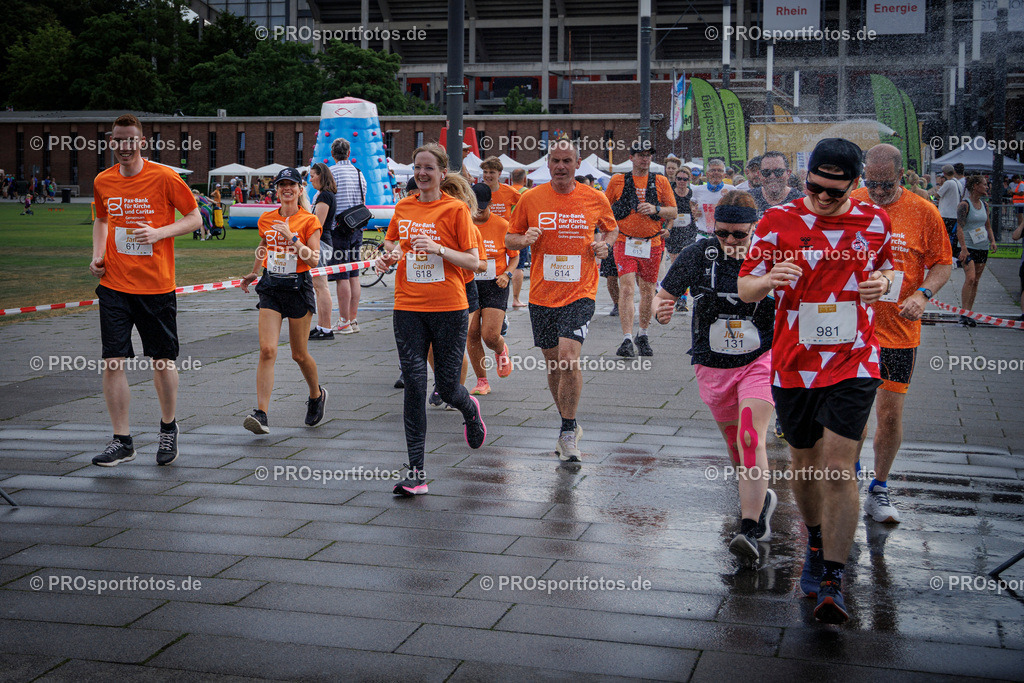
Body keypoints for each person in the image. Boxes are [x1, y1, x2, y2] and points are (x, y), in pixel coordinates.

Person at [738, 138, 894, 624]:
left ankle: (833, 576)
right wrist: (769, 281)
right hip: (794, 361)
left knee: (838, 465)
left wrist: (885, 284)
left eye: (835, 191)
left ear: (855, 184)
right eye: (816, 188)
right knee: (804, 463)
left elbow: (891, 267)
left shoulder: (875, 221)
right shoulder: (776, 221)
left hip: (856, 359)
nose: (823, 198)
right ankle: (817, 539)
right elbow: (745, 288)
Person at [654, 191, 778, 565]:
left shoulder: (770, 253)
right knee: (736, 446)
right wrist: (662, 308)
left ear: (753, 228)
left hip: (761, 358)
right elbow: (666, 293)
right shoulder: (699, 253)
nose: (729, 241)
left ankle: (750, 528)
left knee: (750, 435)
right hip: (712, 362)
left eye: (739, 234)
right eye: (722, 233)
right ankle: (760, 497)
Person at [89, 113, 202, 467]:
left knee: (162, 360)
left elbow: (195, 217)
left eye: (130, 140)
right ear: (111, 142)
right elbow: (102, 219)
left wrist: (159, 233)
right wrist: (97, 254)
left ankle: (168, 428)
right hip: (114, 286)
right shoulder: (103, 181)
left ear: (142, 142)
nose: (124, 147)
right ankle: (122, 440)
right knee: (112, 360)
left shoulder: (164, 176)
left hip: (155, 287)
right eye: (118, 140)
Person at [374, 143, 487, 496]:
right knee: (414, 384)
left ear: (441, 173)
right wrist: (386, 258)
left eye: (428, 168)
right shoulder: (404, 206)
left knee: (449, 388)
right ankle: (416, 472)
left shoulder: (454, 210)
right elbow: (392, 244)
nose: (421, 173)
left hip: (450, 309)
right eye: (417, 167)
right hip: (408, 306)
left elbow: (476, 262)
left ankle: (470, 409)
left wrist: (439, 249)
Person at [851, 144, 952, 524]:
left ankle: (879, 488)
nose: (877, 192)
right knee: (853, 415)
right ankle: (850, 477)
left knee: (889, 416)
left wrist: (922, 295)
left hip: (898, 332)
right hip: (854, 331)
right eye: (871, 183)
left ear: (902, 174)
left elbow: (943, 263)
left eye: (886, 185)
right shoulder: (852, 203)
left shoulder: (923, 211)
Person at [507, 137, 618, 462]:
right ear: (548, 163)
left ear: (577, 164)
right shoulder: (531, 197)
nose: (559, 166)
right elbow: (509, 236)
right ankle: (567, 423)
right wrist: (522, 239)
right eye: (554, 160)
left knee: (569, 359)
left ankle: (568, 432)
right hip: (541, 294)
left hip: (580, 291)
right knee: (554, 363)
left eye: (566, 161)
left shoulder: (594, 198)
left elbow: (610, 230)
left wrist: (605, 246)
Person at [239, 168, 328, 434]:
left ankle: (316, 395)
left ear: (301, 190)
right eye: (281, 185)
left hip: (298, 287)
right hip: (272, 287)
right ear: (276, 190)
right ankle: (262, 414)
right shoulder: (266, 218)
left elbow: (313, 259)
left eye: (292, 184)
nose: (286, 189)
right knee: (267, 350)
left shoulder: (309, 220)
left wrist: (291, 237)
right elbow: (264, 247)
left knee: (299, 354)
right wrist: (254, 271)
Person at [605, 141, 677, 357]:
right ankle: (626, 338)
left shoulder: (660, 181)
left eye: (648, 155)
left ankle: (642, 333)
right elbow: (605, 209)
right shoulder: (618, 180)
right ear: (631, 157)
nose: (645, 159)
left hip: (651, 243)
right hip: (625, 241)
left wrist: (656, 209)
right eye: (640, 155)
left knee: (647, 291)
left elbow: (673, 211)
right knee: (626, 288)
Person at [467, 182, 518, 395]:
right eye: (475, 206)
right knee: (472, 333)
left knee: (489, 335)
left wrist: (507, 274)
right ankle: (482, 381)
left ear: (490, 203)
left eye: (483, 206)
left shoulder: (502, 224)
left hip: (496, 283)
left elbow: (514, 258)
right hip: (470, 283)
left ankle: (500, 349)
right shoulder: (465, 223)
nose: (479, 210)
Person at [329, 138, 368, 335]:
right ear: (349, 153)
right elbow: (363, 200)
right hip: (357, 228)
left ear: (332, 153)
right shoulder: (359, 173)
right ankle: (353, 319)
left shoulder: (331, 173)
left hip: (338, 229)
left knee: (341, 274)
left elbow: (328, 201)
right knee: (354, 273)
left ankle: (343, 320)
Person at [955, 174, 999, 327]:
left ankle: (969, 313)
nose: (987, 187)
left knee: (977, 281)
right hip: (968, 247)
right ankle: (963, 312)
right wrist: (964, 248)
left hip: (982, 246)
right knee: (971, 278)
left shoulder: (984, 205)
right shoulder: (964, 205)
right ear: (975, 186)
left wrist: (992, 241)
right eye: (984, 184)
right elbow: (959, 227)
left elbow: (987, 225)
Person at [308, 162, 337, 340]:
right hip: (322, 243)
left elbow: (317, 225)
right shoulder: (325, 195)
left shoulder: (325, 196)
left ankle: (326, 328)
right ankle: (322, 325)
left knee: (321, 287)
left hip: (321, 244)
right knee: (320, 287)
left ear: (321, 176)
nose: (310, 179)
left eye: (312, 175)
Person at [666, 166, 696, 312]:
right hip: (674, 233)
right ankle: (677, 296)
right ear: (675, 179)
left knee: (686, 266)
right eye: (679, 178)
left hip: (689, 233)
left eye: (685, 179)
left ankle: (683, 299)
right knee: (676, 266)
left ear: (689, 180)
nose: (682, 181)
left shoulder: (692, 194)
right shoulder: (671, 194)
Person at [749, 151, 803, 219]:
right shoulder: (748, 199)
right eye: (766, 172)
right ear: (759, 174)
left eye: (778, 171)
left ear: (788, 173)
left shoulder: (802, 202)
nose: (772, 176)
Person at [690, 158, 728, 239]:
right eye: (713, 170)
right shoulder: (697, 190)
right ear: (707, 174)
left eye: (719, 170)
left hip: (723, 236)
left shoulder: (732, 190)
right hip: (702, 236)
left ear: (724, 175)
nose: (716, 173)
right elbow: (690, 205)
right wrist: (693, 210)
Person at [510, 167, 531, 308]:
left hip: (504, 231)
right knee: (518, 266)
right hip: (520, 234)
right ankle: (516, 299)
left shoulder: (507, 191)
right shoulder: (527, 194)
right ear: (525, 179)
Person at [936, 164, 963, 258]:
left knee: (943, 236)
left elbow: (937, 195)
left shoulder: (948, 183)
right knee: (952, 236)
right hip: (954, 214)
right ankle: (952, 255)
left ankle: (943, 254)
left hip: (946, 214)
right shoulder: (957, 182)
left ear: (944, 173)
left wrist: (938, 185)